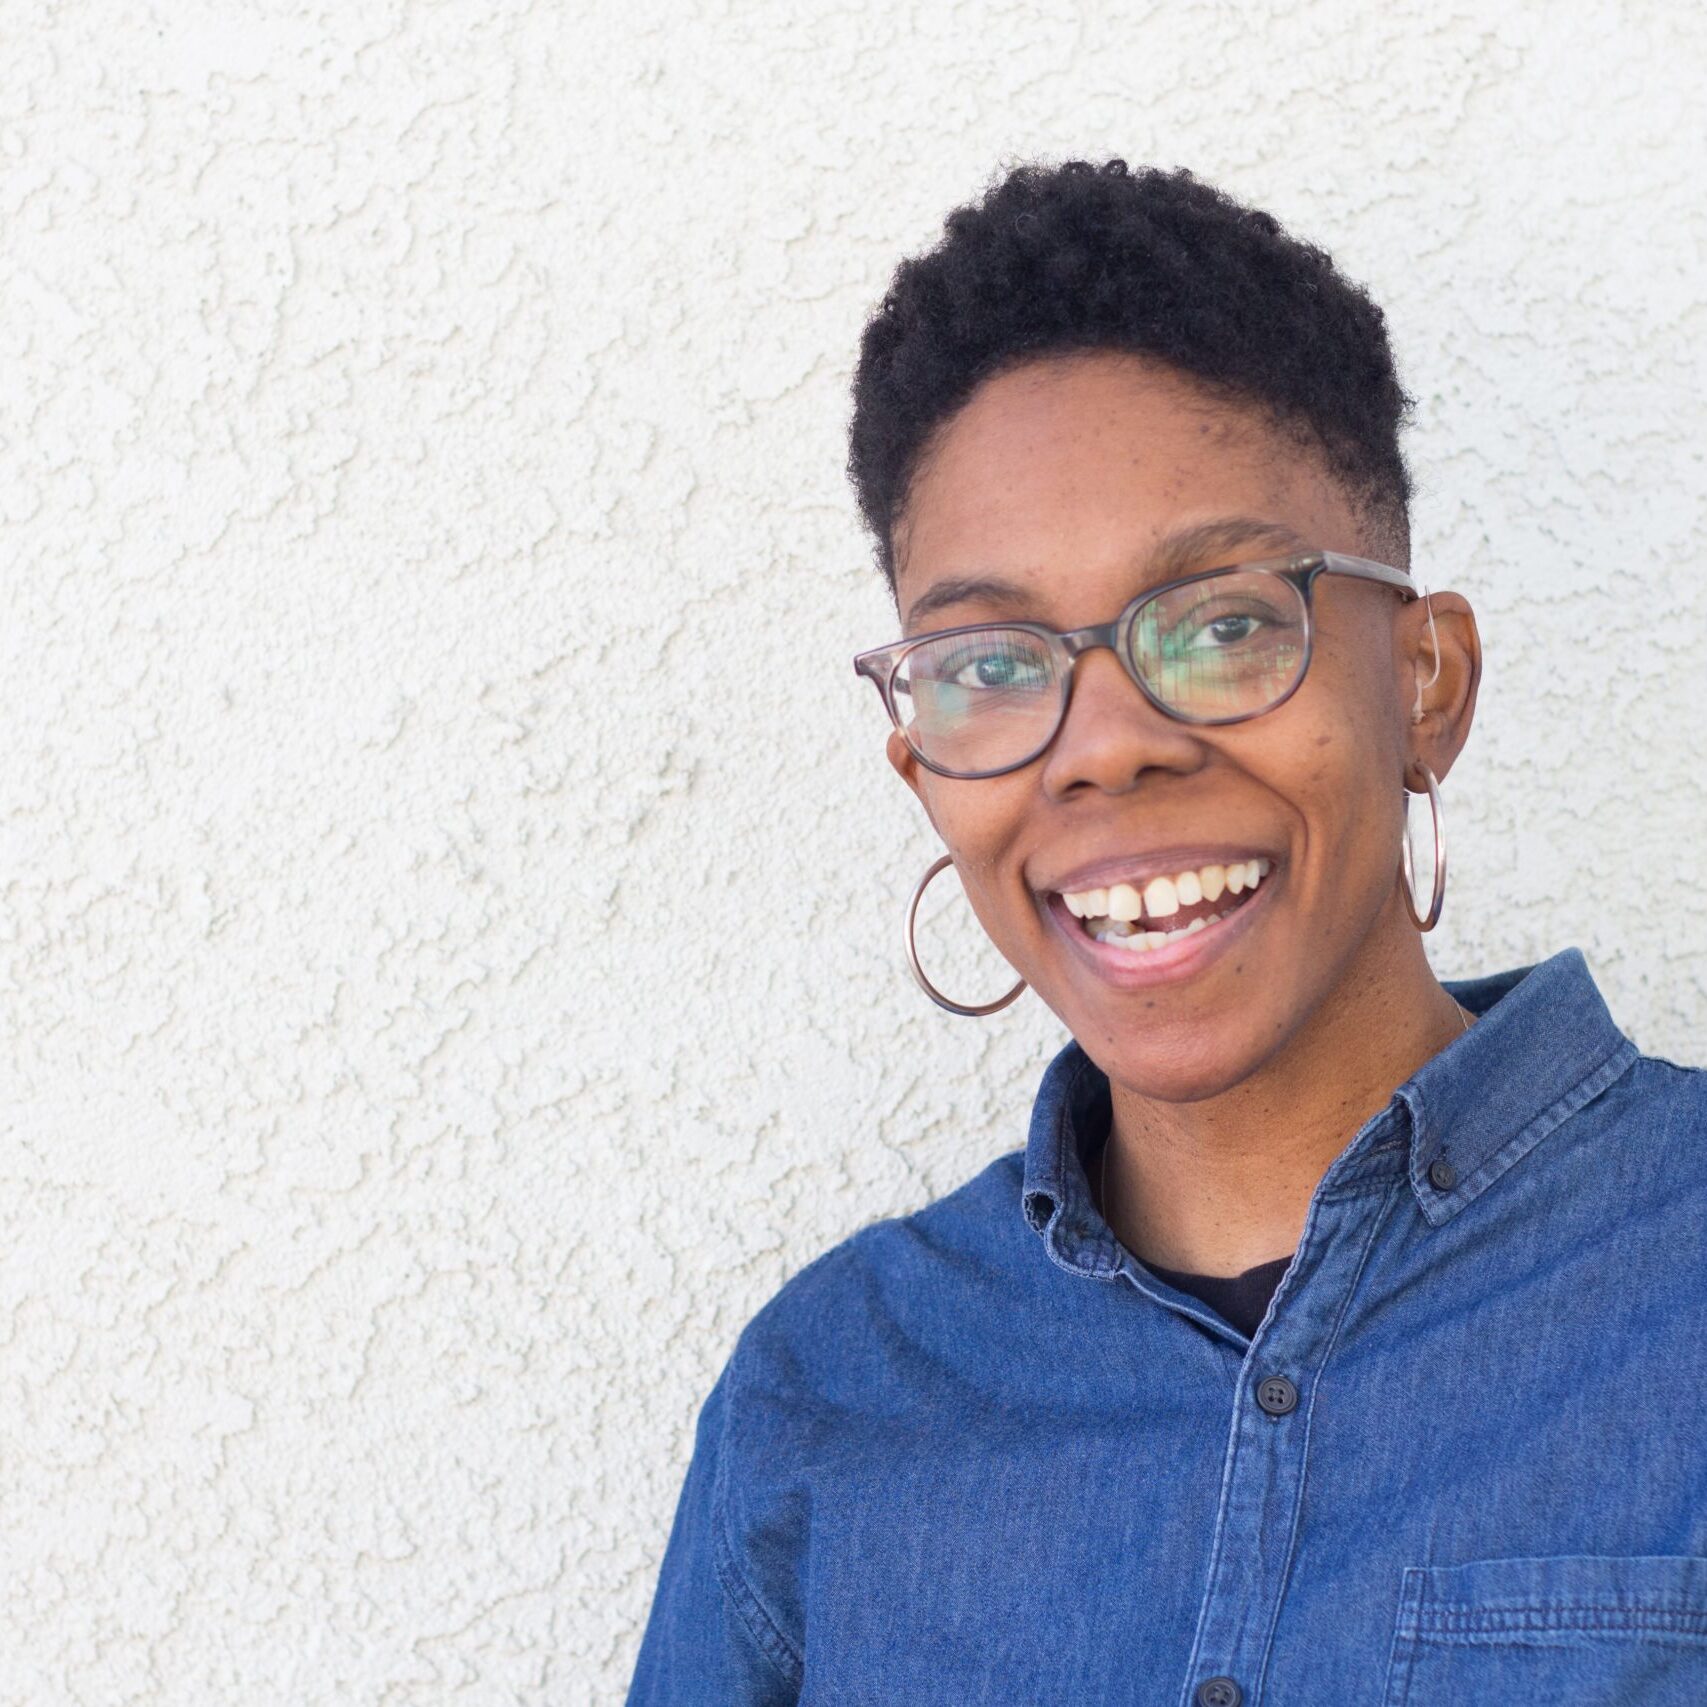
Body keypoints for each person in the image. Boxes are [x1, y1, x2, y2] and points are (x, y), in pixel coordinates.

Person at [625, 160, 1707, 1705]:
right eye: (991, 663)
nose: (1100, 747)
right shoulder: (832, 1394)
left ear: (1426, 686)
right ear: (922, 763)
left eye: (1219, 624)